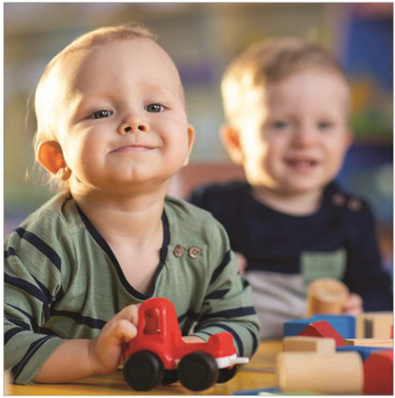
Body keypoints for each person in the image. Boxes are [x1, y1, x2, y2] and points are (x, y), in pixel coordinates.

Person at [4, 24, 260, 385]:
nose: (134, 122)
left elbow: (242, 324)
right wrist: (91, 356)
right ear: (56, 157)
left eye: (154, 106)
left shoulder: (204, 235)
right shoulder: (45, 242)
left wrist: (197, 346)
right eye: (100, 113)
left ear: (186, 144)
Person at [189, 38, 393, 340]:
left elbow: (378, 292)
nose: (305, 140)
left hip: (320, 359)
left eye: (324, 125)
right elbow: (171, 280)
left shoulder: (351, 214)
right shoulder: (213, 208)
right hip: (230, 357)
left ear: (345, 141)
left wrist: (360, 308)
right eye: (282, 124)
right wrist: (207, 274)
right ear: (236, 142)